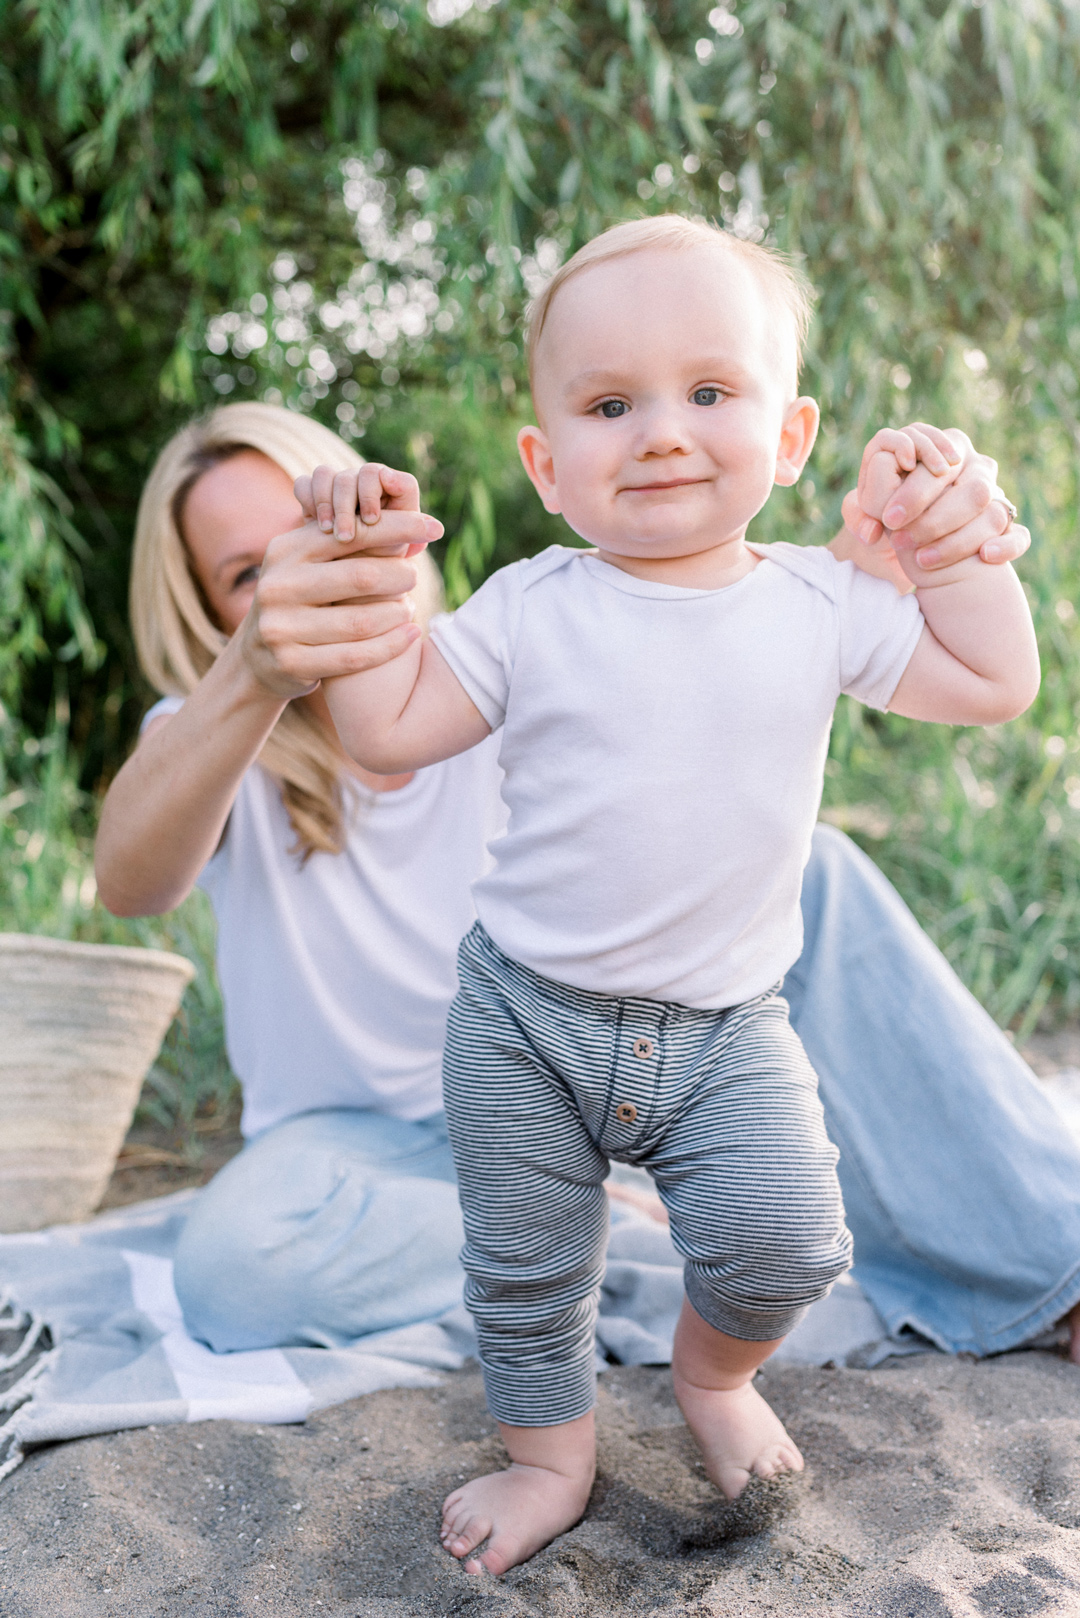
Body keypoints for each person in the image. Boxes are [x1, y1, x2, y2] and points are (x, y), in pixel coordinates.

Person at [94, 390, 1077, 1547]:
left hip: (617, 1047)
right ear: (209, 616)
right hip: (361, 1147)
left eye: (312, 537)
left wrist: (855, 584)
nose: (297, 583)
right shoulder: (217, 727)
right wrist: (254, 674)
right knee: (232, 1267)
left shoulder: (513, 645)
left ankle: (1052, 1259)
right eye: (246, 574)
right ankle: (613, 1233)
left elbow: (724, 689)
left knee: (815, 868)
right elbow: (131, 879)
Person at [299, 216, 1040, 1572]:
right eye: (608, 403)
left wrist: (955, 553)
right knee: (527, 1271)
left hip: (723, 1026)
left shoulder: (821, 603)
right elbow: (390, 729)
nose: (659, 432)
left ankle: (711, 1376)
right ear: (546, 463)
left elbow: (993, 684)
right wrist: (363, 598)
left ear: (794, 433)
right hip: (528, 1012)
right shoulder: (531, 606)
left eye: (710, 392)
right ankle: (550, 1460)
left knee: (787, 1240)